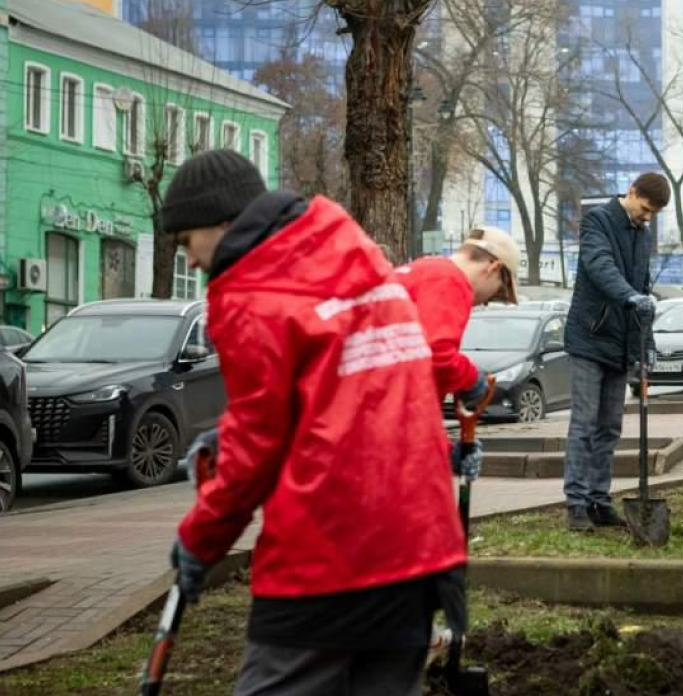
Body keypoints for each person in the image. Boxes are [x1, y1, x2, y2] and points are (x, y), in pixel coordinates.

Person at [162, 149, 467, 696]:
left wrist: (200, 541)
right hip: (419, 544)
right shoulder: (349, 248)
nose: (189, 261)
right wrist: (227, 435)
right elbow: (335, 397)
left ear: (225, 224)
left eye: (186, 241)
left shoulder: (250, 292)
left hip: (331, 549)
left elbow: (259, 446)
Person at [562, 172, 670, 532]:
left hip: (622, 343)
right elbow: (599, 266)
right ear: (631, 192)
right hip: (589, 338)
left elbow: (643, 290)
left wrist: (647, 344)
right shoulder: (598, 220)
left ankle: (599, 499)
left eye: (654, 213)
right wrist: (629, 297)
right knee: (584, 423)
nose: (647, 217)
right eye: (645, 209)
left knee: (609, 426)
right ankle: (576, 505)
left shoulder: (643, 234)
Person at [397, 226, 521, 406]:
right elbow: (438, 356)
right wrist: (472, 380)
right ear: (494, 268)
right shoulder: (451, 281)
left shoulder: (421, 269)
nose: (485, 301)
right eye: (497, 292)